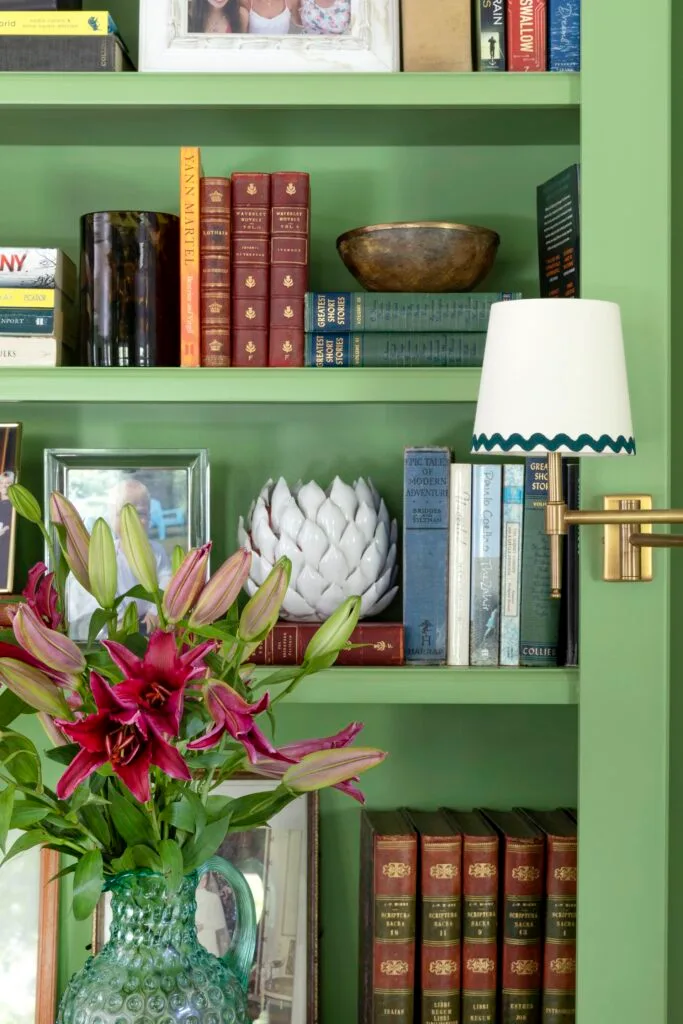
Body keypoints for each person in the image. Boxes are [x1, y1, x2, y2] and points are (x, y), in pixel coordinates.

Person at [68, 478, 173, 642]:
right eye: (122, 513)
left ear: (150, 517)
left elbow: (166, 581)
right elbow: (105, 588)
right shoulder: (109, 553)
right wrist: (121, 617)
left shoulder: (156, 551)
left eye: (140, 513)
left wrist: (155, 611)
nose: (130, 518)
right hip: (118, 623)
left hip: (150, 621)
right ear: (111, 518)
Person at [0, 470, 14, 591]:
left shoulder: (16, 508)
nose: (4, 485)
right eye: (1, 483)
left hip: (7, 551)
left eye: (8, 483)